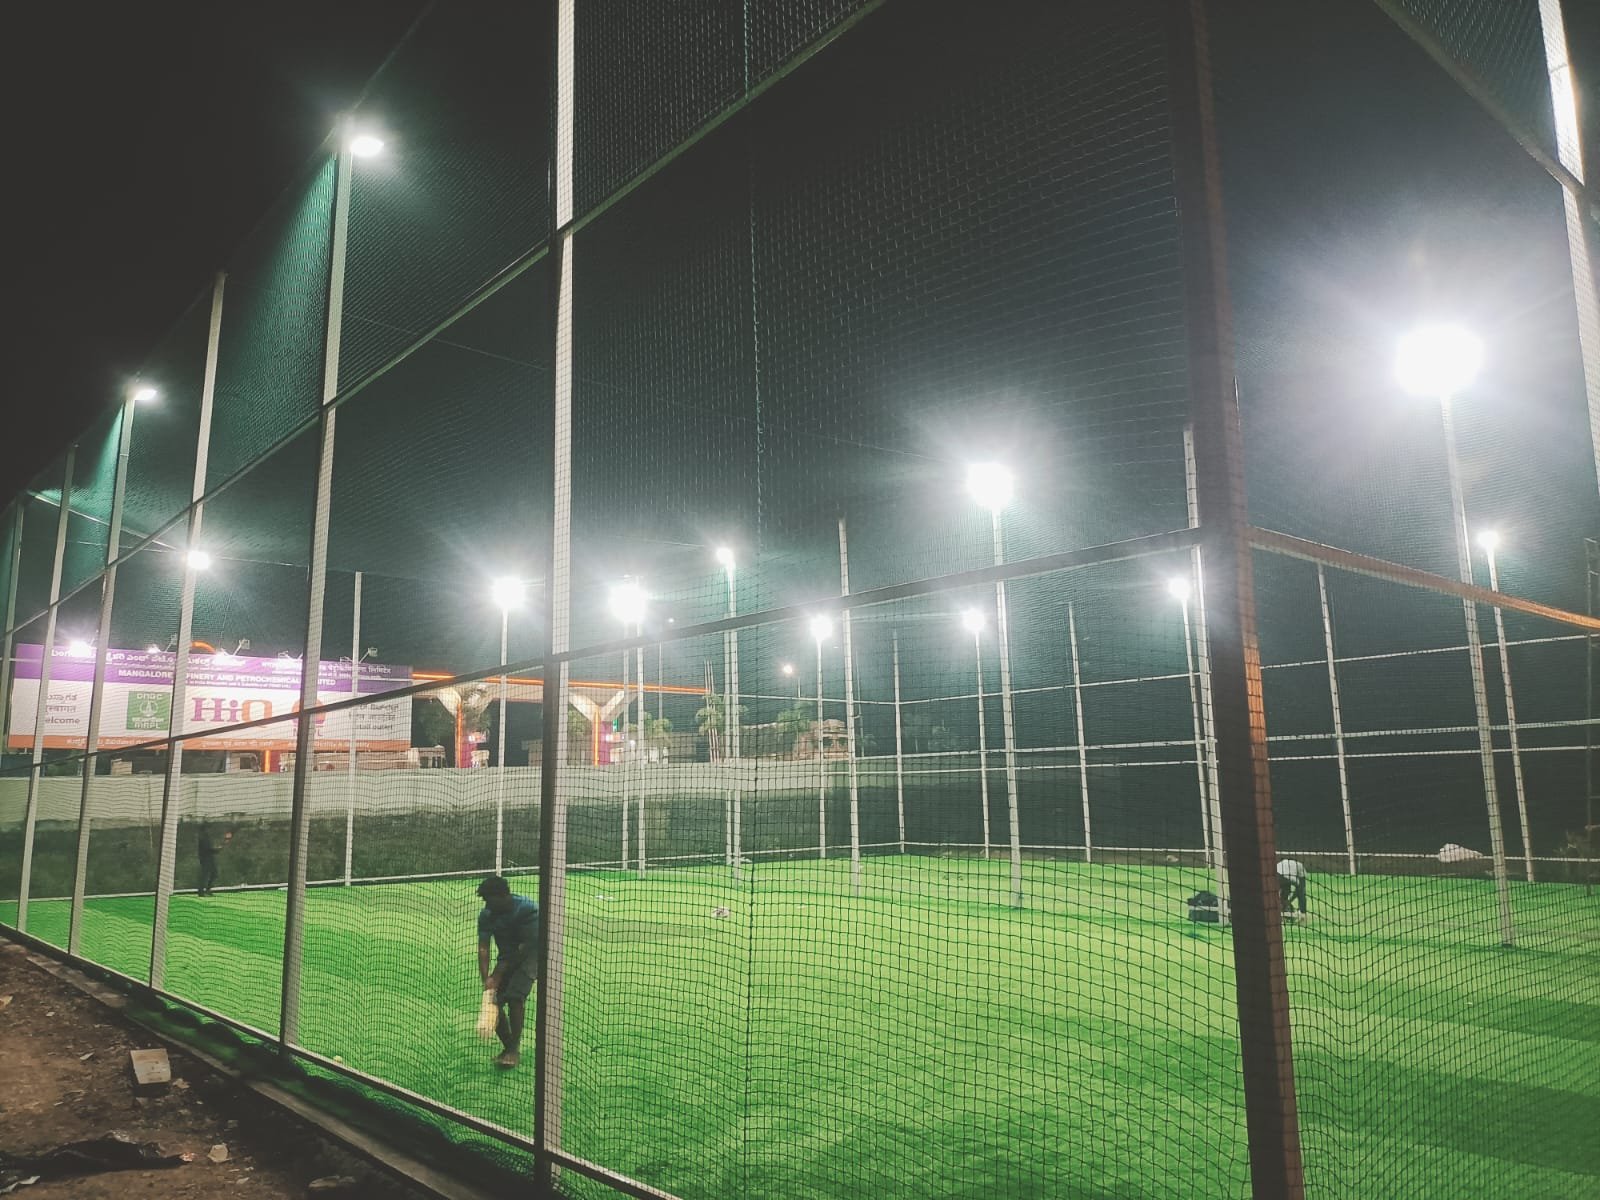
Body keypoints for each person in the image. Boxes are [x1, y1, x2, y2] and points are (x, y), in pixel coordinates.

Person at [476, 875, 540, 1069]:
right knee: (494, 1000)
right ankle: (508, 1048)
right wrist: (487, 979)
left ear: (504, 895)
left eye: (490, 900)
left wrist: (498, 974)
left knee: (514, 997)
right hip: (506, 958)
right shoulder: (487, 914)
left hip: (530, 955)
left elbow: (525, 947)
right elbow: (483, 947)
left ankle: (513, 1050)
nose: (487, 905)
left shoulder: (527, 909)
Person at [197, 824, 232, 897]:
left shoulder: (206, 837)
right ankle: (201, 892)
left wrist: (217, 849)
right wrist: (217, 849)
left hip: (209, 858)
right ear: (205, 829)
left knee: (214, 873)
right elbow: (208, 849)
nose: (209, 830)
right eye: (208, 828)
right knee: (205, 875)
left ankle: (207, 889)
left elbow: (210, 848)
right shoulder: (203, 838)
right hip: (205, 859)